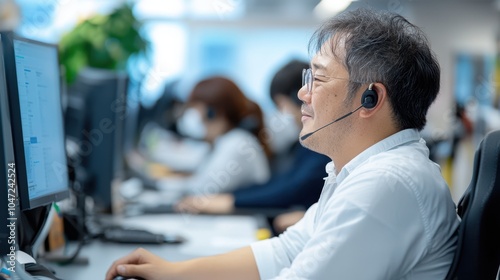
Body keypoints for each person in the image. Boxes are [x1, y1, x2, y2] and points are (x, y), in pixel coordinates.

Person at [106, 8, 460, 280]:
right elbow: (288, 250)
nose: (303, 94)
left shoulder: (387, 183)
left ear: (370, 98)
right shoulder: (362, 171)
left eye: (317, 78)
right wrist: (175, 272)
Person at [174, 60, 330, 223]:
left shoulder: (320, 146)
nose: (282, 115)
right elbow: (284, 183)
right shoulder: (305, 145)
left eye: (281, 105)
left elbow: (293, 188)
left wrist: (231, 200)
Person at [156, 76, 271, 195]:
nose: (194, 119)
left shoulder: (237, 143)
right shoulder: (226, 141)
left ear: (212, 113)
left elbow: (204, 187)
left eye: (195, 110)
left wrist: (157, 184)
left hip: (240, 213)